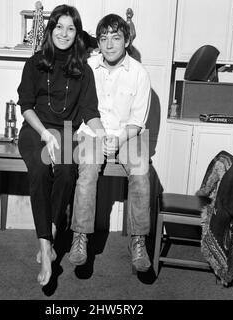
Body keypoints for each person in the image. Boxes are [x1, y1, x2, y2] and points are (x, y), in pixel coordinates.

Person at [17, 4, 105, 286]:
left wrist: (103, 135)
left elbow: (90, 111)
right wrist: (44, 133)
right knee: (41, 172)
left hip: (65, 131)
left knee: (67, 173)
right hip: (35, 130)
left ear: (76, 33)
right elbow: (26, 106)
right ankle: (45, 248)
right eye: (59, 27)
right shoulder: (34, 63)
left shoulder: (84, 71)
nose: (64, 33)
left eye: (70, 28)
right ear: (51, 29)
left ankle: (50, 235)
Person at [68, 14, 152, 272]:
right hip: (93, 133)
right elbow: (80, 107)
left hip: (128, 135)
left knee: (141, 171)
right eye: (103, 38)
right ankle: (80, 237)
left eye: (116, 38)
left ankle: (138, 241)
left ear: (126, 40)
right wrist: (103, 136)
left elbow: (137, 121)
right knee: (88, 170)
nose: (109, 44)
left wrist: (117, 140)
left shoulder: (139, 73)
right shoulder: (88, 66)